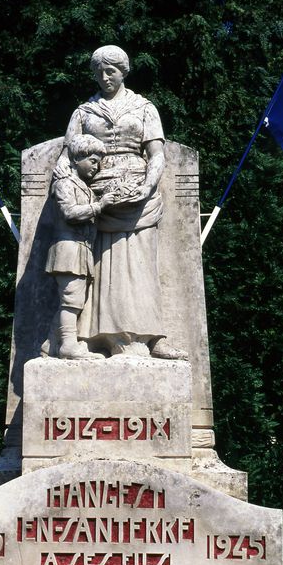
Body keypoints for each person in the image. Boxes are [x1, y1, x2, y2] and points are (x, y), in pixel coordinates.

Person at [60, 45, 186, 359]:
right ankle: (104, 337)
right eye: (98, 72)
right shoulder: (83, 113)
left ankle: (149, 336)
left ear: (123, 71)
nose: (104, 78)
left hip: (139, 197)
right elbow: (66, 159)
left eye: (110, 71)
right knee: (104, 271)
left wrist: (146, 186)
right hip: (98, 199)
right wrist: (65, 184)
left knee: (141, 268)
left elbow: (157, 155)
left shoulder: (144, 108)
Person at [44, 133, 117, 359]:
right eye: (92, 161)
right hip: (68, 250)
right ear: (77, 158)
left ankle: (50, 344)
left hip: (80, 250)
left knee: (74, 300)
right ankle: (68, 346)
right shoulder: (64, 183)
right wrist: (99, 206)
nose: (96, 167)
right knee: (71, 301)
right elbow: (69, 213)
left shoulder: (83, 186)